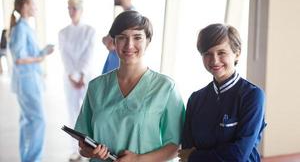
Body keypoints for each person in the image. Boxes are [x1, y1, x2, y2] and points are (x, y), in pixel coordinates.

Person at [75, 10, 185, 162]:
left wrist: (139, 159)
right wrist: (91, 152)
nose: (129, 45)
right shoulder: (96, 87)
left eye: (137, 37)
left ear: (148, 41)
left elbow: (176, 146)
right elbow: (83, 146)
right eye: (122, 38)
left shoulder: (165, 88)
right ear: (114, 42)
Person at [179, 23, 266, 162]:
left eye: (221, 52)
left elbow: (238, 156)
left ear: (237, 54)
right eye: (207, 54)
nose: (214, 60)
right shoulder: (195, 99)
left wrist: (194, 156)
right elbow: (185, 152)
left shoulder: (252, 96)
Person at [8, 0, 53, 162]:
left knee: (27, 120)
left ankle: (27, 158)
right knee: (38, 120)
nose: (36, 7)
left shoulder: (25, 27)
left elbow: (26, 54)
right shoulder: (21, 28)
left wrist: (42, 53)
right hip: (27, 80)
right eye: (33, 4)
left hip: (28, 78)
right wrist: (40, 58)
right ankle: (33, 159)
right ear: (25, 6)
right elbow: (19, 58)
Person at [58, 0, 96, 161]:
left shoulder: (90, 31)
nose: (71, 12)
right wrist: (72, 76)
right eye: (69, 8)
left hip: (85, 78)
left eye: (74, 8)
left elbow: (88, 55)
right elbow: (64, 56)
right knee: (72, 113)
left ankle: (90, 148)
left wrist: (80, 75)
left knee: (88, 113)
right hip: (69, 79)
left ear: (81, 10)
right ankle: (75, 150)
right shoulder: (63, 32)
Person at [102, 0, 135, 74]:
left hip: (119, 68)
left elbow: (110, 44)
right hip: (115, 66)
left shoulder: (130, 17)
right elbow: (108, 41)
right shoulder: (124, 16)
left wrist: (108, 41)